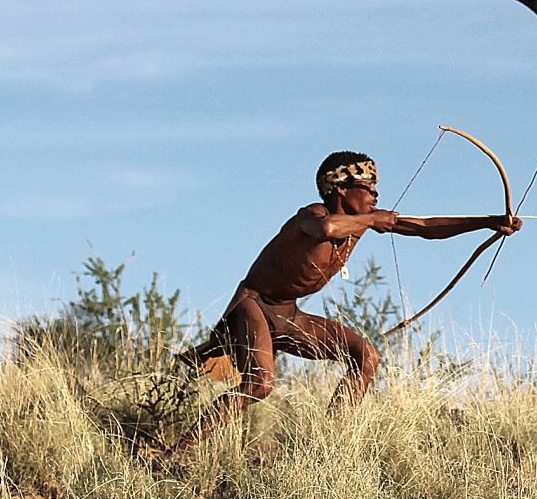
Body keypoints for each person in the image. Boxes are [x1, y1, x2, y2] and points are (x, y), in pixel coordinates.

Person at [163, 150, 519, 455]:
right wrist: (372, 219)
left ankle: (326, 449)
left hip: (287, 312)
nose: (375, 196)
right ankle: (179, 452)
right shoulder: (311, 216)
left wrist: (489, 222)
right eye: (368, 189)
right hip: (253, 306)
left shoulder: (362, 221)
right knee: (259, 385)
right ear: (341, 190)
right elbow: (328, 229)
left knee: (366, 355)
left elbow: (425, 226)